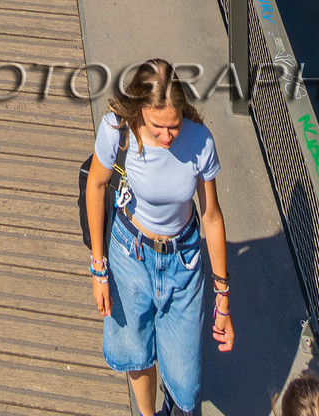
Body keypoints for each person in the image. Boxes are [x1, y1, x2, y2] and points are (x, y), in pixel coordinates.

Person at [84, 58, 233, 416]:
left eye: (174, 126)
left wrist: (223, 298)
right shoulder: (117, 131)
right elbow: (96, 185)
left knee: (184, 377)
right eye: (157, 128)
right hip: (129, 254)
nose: (167, 137)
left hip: (183, 260)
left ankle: (172, 401)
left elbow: (211, 216)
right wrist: (99, 270)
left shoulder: (200, 141)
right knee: (135, 352)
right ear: (139, 111)